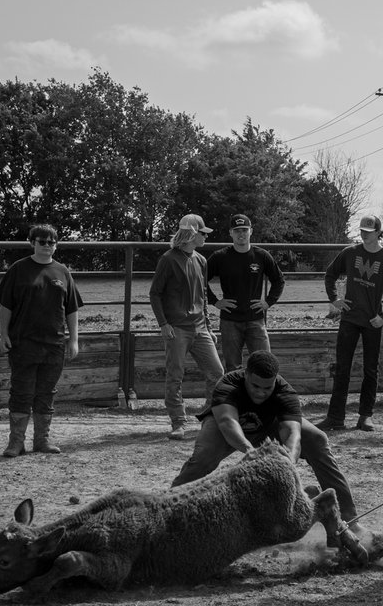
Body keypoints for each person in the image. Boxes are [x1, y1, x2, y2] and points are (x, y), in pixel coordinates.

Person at [171, 351, 364, 534]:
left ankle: (349, 520)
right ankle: (169, 509)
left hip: (268, 426)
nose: (261, 393)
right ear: (246, 375)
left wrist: (286, 464)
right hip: (229, 427)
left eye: (267, 388)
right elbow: (227, 422)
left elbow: (292, 435)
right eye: (256, 386)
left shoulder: (285, 392)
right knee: (204, 456)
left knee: (317, 439)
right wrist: (251, 452)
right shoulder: (228, 384)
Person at [0, 225, 84, 457]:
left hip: (54, 344)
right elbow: (6, 305)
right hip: (23, 343)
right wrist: (3, 333)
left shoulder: (63, 272)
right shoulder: (18, 269)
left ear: (57, 244)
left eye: (51, 242)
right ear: (31, 242)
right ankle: (16, 443)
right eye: (42, 241)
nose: (47, 245)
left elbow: (71, 309)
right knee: (21, 392)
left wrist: (73, 340)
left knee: (47, 392)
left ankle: (42, 440)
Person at [317, 214, 383, 433]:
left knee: (370, 370)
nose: (364, 234)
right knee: (342, 368)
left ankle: (366, 416)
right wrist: (334, 298)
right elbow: (330, 274)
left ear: (379, 233)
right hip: (349, 320)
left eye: (369, 231)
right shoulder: (350, 252)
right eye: (362, 231)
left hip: (373, 323)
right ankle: (335, 417)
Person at [149, 214, 225, 440]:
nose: (205, 238)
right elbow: (155, 293)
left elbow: (202, 295)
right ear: (192, 234)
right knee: (175, 375)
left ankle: (211, 417)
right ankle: (178, 422)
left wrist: (209, 327)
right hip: (177, 328)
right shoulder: (168, 259)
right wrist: (163, 323)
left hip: (200, 328)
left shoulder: (201, 260)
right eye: (203, 234)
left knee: (217, 373)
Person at [205, 213, 285, 368]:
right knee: (232, 367)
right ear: (231, 233)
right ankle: (235, 393)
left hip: (255, 319)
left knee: (264, 364)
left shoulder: (261, 256)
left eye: (244, 230)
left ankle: (261, 393)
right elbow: (200, 281)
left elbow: (279, 280)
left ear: (251, 231)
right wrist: (215, 302)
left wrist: (268, 302)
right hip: (230, 321)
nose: (241, 234)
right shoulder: (220, 257)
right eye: (237, 230)